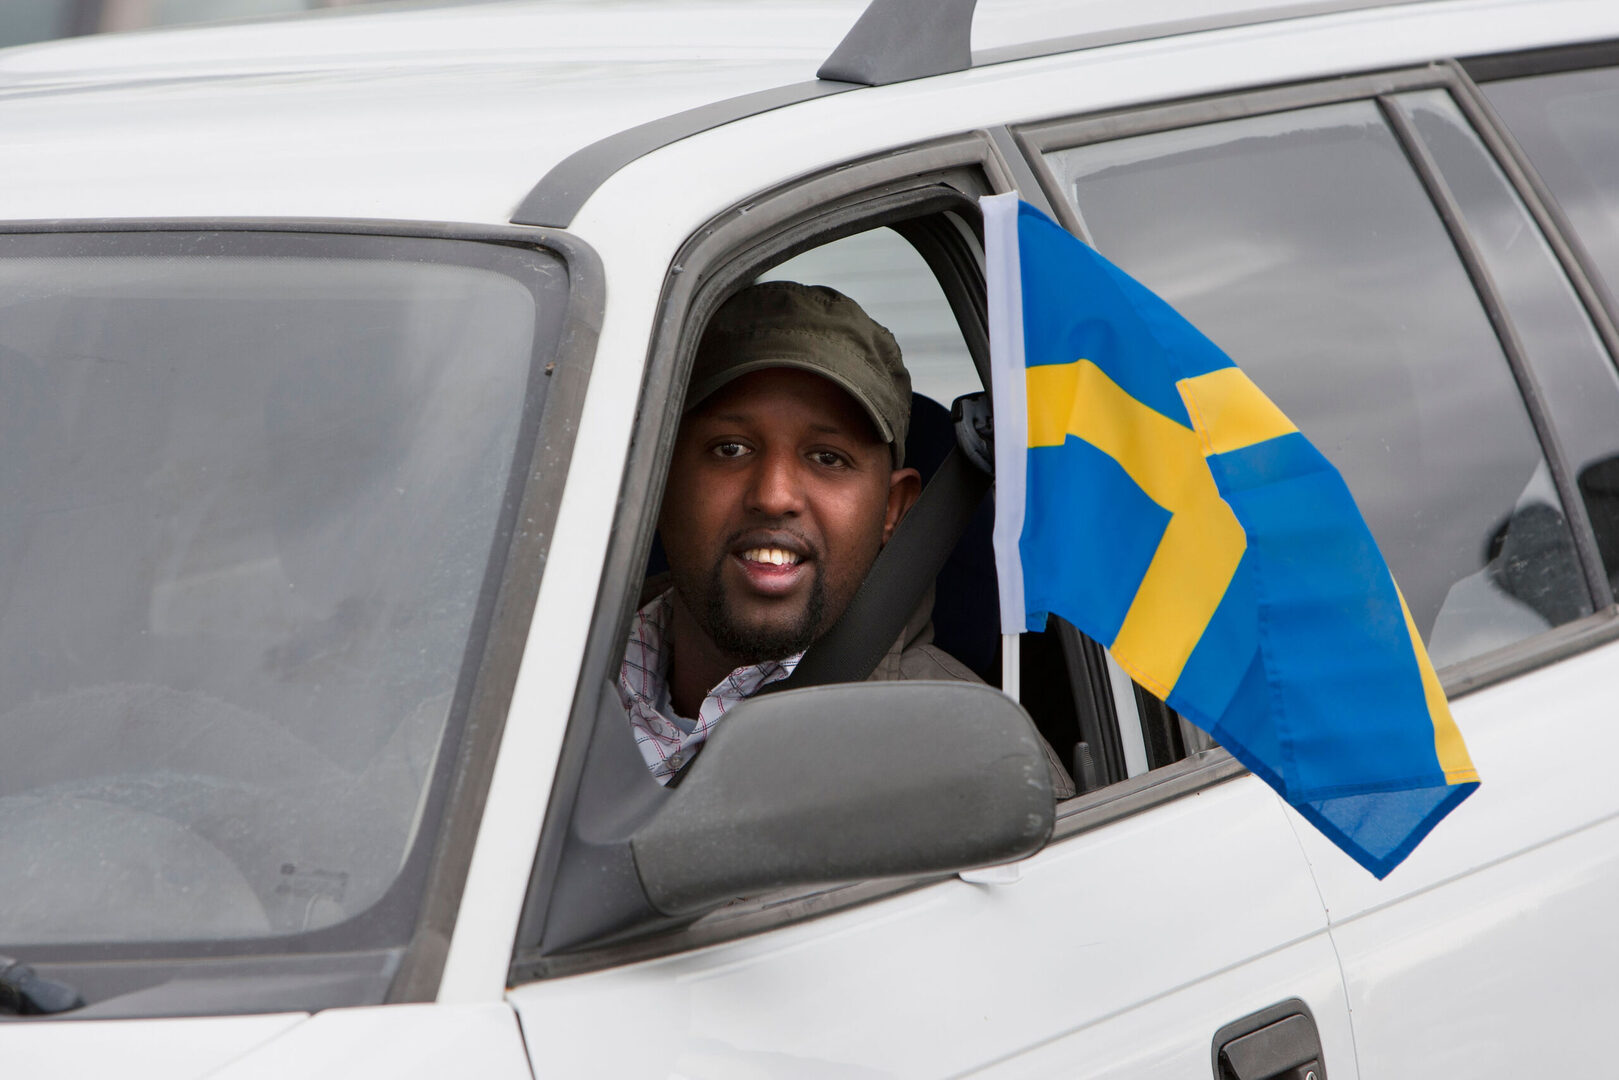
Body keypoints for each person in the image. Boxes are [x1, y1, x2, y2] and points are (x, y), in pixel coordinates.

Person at [618, 280, 1075, 797]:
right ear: (659, 480)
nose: (774, 495)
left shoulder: (974, 770)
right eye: (730, 449)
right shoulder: (556, 665)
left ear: (892, 510)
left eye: (828, 458)